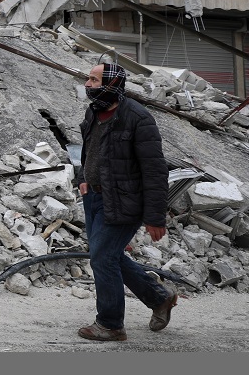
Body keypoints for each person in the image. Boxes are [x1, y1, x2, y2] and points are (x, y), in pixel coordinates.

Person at [76, 61, 178, 342]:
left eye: (94, 80)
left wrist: (155, 217)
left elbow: (155, 170)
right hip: (94, 197)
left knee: (102, 258)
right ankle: (159, 297)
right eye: (88, 79)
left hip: (124, 200)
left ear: (112, 84)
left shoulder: (138, 118)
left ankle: (110, 324)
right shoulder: (94, 111)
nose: (88, 85)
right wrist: (82, 178)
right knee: (108, 255)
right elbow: (90, 150)